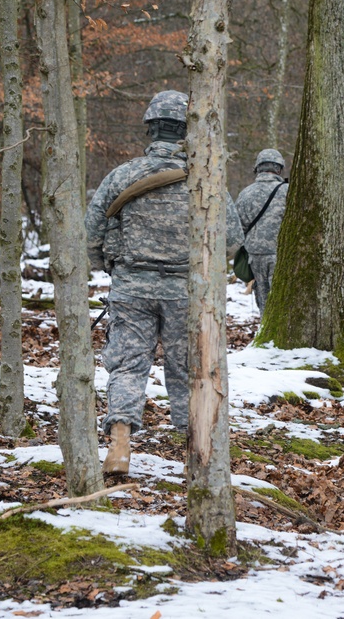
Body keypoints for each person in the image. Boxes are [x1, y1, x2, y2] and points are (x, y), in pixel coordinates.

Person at [84, 90, 244, 475]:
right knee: (189, 370)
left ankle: (120, 444)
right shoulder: (205, 178)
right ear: (187, 132)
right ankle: (197, 454)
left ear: (150, 128)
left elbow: (90, 233)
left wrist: (110, 266)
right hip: (185, 293)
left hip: (131, 288)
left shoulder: (123, 174)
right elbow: (233, 236)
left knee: (127, 366)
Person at [236, 148, 288, 312]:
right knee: (283, 301)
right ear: (279, 168)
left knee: (263, 300)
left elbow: (239, 228)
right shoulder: (288, 191)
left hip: (254, 257)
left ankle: (265, 331)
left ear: (257, 168)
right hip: (282, 255)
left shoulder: (245, 193)